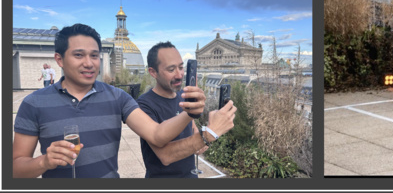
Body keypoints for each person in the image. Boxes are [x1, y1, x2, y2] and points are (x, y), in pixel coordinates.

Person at [13, 24, 208, 178]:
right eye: (79, 55)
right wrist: (44, 162)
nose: (89, 63)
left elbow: (157, 135)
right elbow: (15, 168)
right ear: (60, 59)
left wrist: (189, 113)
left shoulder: (118, 97)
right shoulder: (34, 103)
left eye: (95, 55)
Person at [138, 42, 236, 178]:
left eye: (181, 67)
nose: (179, 75)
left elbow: (192, 128)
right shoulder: (144, 104)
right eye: (171, 70)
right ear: (153, 72)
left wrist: (201, 141)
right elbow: (165, 156)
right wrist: (208, 135)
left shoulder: (183, 96)